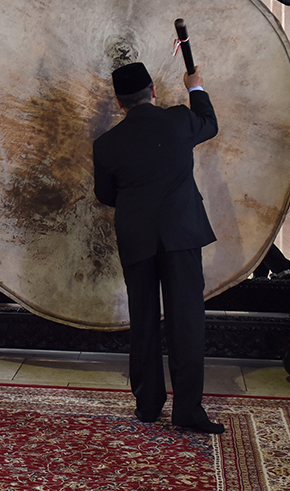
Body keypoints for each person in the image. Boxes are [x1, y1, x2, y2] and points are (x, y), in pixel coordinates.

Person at [92, 62, 223, 435]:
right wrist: (194, 86)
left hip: (136, 237)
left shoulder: (106, 144)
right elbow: (209, 123)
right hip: (181, 235)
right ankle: (188, 410)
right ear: (153, 91)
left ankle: (148, 404)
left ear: (118, 102)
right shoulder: (180, 121)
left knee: (144, 320)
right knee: (186, 321)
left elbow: (105, 195)